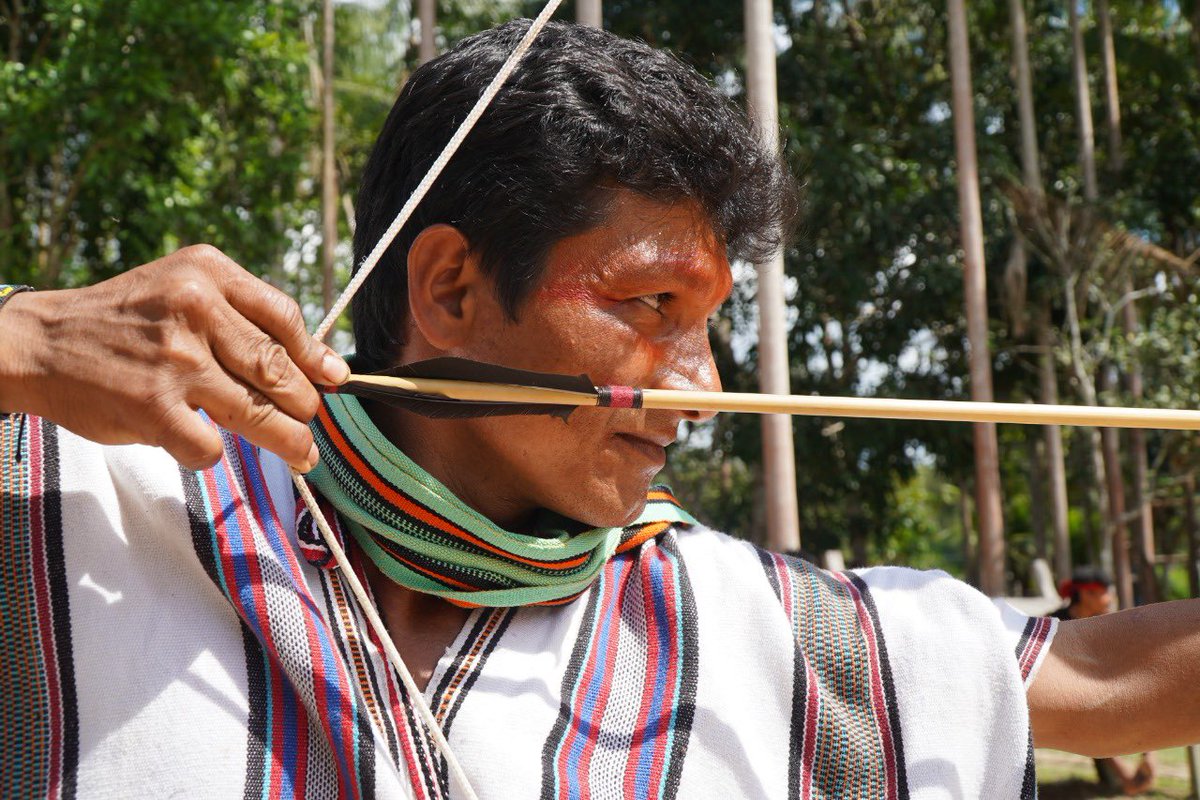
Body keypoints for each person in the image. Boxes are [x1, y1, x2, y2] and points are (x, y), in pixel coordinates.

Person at [1, 20, 1198, 799]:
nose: (704, 384)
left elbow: (1096, 677)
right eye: (652, 302)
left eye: (713, 316)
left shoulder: (741, 625)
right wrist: (23, 338)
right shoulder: (77, 500)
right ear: (452, 287)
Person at [1053, 569, 1157, 796]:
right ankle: (1125, 776)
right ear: (1086, 594)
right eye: (1103, 593)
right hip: (1066, 695)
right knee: (1086, 711)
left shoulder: (1110, 622)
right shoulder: (1055, 624)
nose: (1109, 599)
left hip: (1103, 688)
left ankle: (1146, 759)